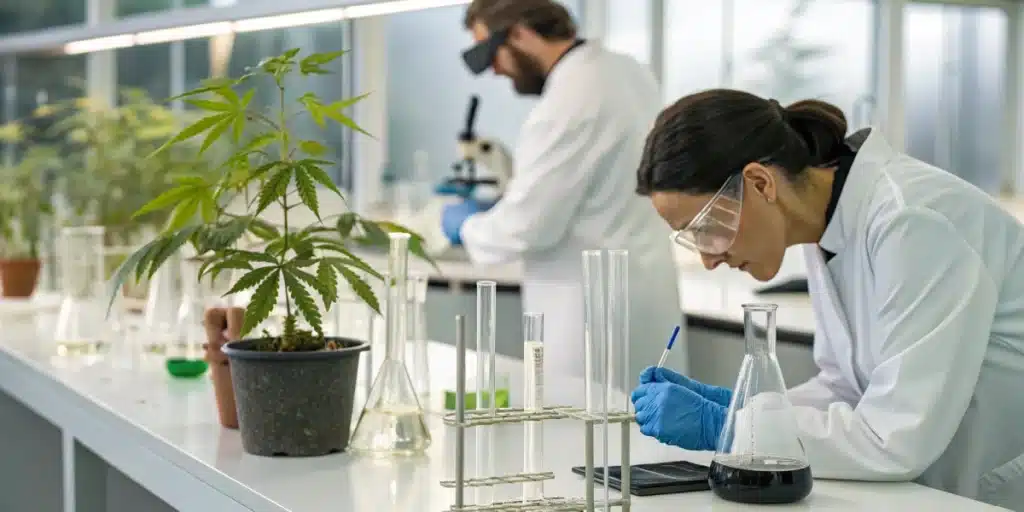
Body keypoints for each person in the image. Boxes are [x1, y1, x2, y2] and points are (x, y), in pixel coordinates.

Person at [629, 88, 1024, 509]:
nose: (708, 258)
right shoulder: (826, 228)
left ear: (760, 183)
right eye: (691, 239)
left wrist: (726, 426)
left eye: (705, 227)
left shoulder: (913, 220)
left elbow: (893, 438)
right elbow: (845, 388)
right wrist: (745, 406)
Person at [442, 0, 683, 388]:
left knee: (586, 437)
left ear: (520, 33)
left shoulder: (570, 98)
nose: (493, 69)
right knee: (649, 436)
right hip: (642, 293)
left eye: (490, 52)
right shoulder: (625, 71)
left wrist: (467, 225)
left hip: (589, 316)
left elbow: (529, 226)